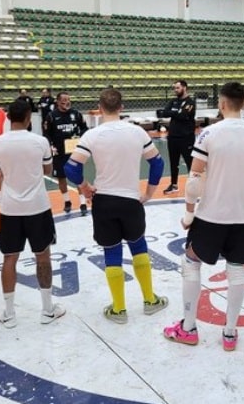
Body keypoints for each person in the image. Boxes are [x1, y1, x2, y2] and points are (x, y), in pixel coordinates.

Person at [163, 82, 244, 351]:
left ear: (222, 104)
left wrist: (189, 214)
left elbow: (194, 180)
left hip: (211, 216)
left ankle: (188, 328)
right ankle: (230, 333)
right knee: (236, 271)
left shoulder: (209, 133)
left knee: (191, 263)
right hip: (243, 218)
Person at [65, 88, 169, 324]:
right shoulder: (137, 132)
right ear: (122, 108)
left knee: (111, 251)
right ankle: (150, 300)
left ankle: (119, 310)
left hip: (104, 201)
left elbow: (71, 167)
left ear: (99, 109)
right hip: (131, 200)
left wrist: (84, 187)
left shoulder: (91, 135)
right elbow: (157, 163)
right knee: (139, 246)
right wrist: (149, 193)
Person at [0, 99, 65, 328]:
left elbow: (2, 170)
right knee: (43, 255)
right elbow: (47, 170)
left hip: (10, 207)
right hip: (37, 206)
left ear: (9, 117)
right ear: (27, 118)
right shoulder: (40, 142)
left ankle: (9, 313)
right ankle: (47, 309)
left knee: (9, 258)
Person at [45, 92, 89, 215]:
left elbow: (85, 128)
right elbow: (47, 134)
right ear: (58, 102)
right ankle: (67, 201)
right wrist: (50, 146)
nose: (67, 102)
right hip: (59, 152)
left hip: (74, 151)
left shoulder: (76, 114)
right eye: (64, 100)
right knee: (61, 178)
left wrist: (80, 137)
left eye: (68, 99)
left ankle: (83, 203)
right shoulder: (51, 116)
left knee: (78, 176)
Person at [161, 80, 196, 195]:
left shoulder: (190, 102)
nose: (175, 90)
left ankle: (194, 186)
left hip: (186, 137)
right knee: (173, 162)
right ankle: (174, 184)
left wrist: (174, 113)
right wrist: (176, 112)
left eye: (177, 88)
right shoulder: (173, 101)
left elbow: (183, 115)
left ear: (184, 88)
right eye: (174, 88)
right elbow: (164, 113)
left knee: (190, 162)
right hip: (173, 137)